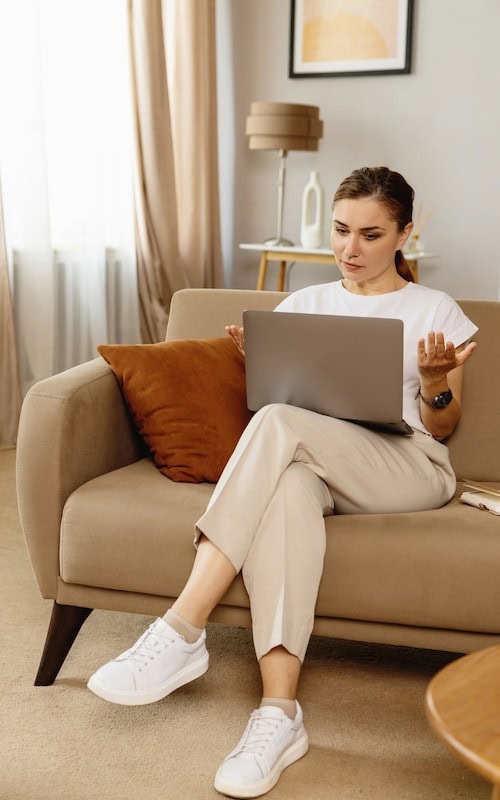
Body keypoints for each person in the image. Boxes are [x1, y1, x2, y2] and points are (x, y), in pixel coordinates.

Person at [87, 167, 478, 798]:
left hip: (408, 466)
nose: (351, 249)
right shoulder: (303, 304)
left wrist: (434, 381)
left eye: (371, 234)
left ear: (405, 233)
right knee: (287, 490)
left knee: (277, 425)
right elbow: (281, 404)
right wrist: (258, 365)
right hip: (316, 462)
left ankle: (183, 628)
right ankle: (279, 715)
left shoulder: (436, 310)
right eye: (341, 230)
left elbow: (445, 422)